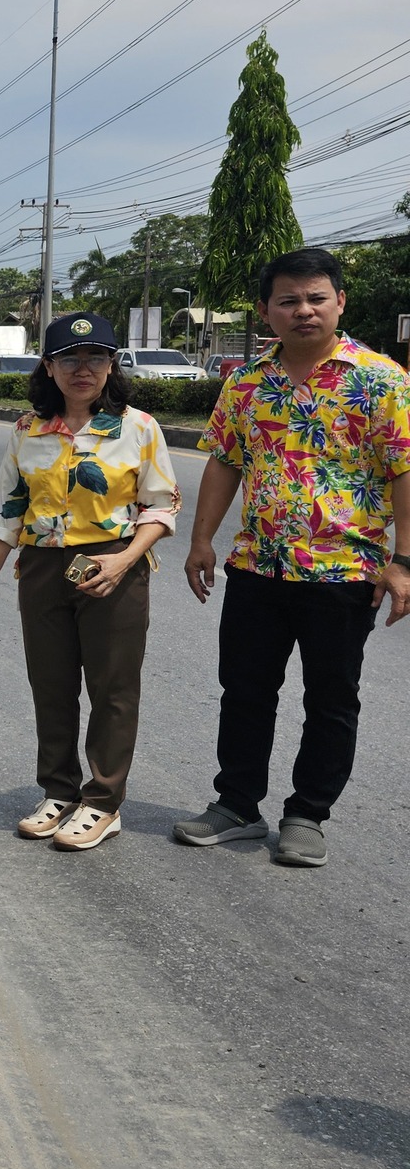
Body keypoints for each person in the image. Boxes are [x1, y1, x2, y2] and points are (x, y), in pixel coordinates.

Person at [172, 248, 410, 867]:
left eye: (316, 298)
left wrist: (404, 560)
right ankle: (237, 806)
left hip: (344, 571)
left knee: (331, 699)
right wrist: (203, 540)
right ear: (266, 311)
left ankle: (308, 813)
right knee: (245, 690)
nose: (303, 310)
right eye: (289, 300)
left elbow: (405, 471)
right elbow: (225, 460)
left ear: (339, 303)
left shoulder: (381, 379)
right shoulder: (247, 383)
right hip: (257, 567)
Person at [0, 313, 179, 850]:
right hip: (42, 569)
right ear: (49, 366)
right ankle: (58, 791)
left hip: (114, 568)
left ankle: (103, 801)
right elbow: (8, 512)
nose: (83, 369)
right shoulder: (26, 429)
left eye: (96, 358)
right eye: (70, 359)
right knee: (52, 684)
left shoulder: (139, 427)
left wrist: (125, 559)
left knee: (113, 687)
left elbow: (161, 505)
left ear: (112, 365)